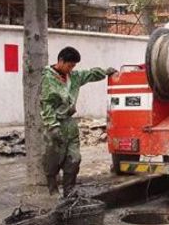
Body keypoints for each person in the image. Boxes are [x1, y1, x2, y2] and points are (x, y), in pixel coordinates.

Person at [41, 46, 118, 196]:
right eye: (70, 65)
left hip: (70, 123)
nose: (71, 68)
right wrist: (52, 126)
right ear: (61, 61)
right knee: (53, 158)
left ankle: (69, 190)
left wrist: (105, 71)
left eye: (74, 66)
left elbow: (89, 74)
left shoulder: (73, 77)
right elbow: (46, 104)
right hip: (55, 123)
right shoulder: (48, 79)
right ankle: (53, 189)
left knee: (74, 158)